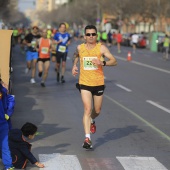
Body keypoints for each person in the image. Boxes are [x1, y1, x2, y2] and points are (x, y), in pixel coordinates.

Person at [72, 25, 117, 149]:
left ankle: (92, 119)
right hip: (84, 83)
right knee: (87, 109)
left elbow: (114, 61)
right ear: (84, 36)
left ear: (96, 35)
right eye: (88, 34)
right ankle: (87, 138)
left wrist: (102, 62)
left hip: (98, 83)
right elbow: (76, 56)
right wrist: (74, 66)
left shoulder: (101, 48)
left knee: (96, 111)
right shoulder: (80, 47)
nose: (91, 36)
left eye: (93, 34)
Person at [0, 77, 14, 170]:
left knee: (5, 145)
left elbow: (9, 101)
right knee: (5, 145)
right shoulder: (3, 90)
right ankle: (8, 166)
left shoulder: (3, 90)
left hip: (2, 122)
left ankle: (8, 165)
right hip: (3, 121)